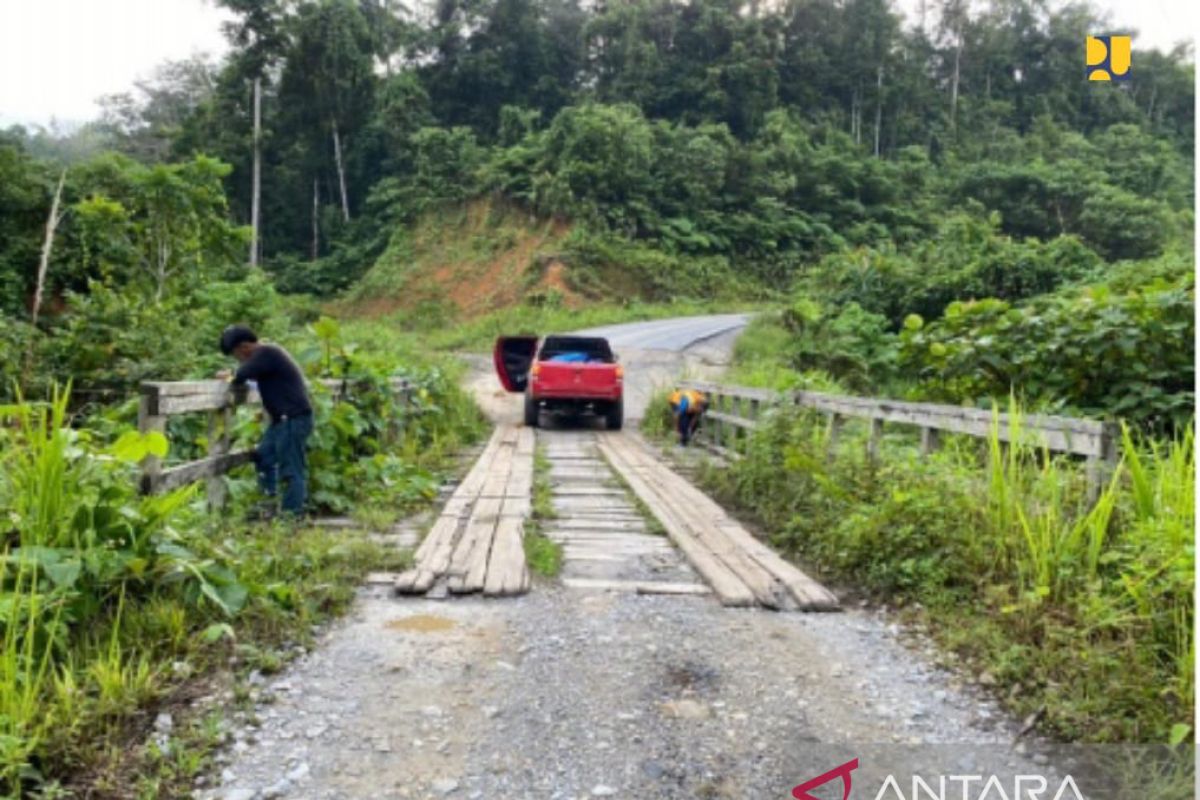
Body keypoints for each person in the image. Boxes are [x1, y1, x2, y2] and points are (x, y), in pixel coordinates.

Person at [219, 325, 313, 518]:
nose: (238, 359)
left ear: (244, 347)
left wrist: (228, 375)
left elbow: (241, 376)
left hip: (292, 419)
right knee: (264, 457)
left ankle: (291, 516)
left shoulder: (266, 353)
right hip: (281, 421)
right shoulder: (267, 356)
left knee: (291, 469)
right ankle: (270, 503)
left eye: (235, 354)